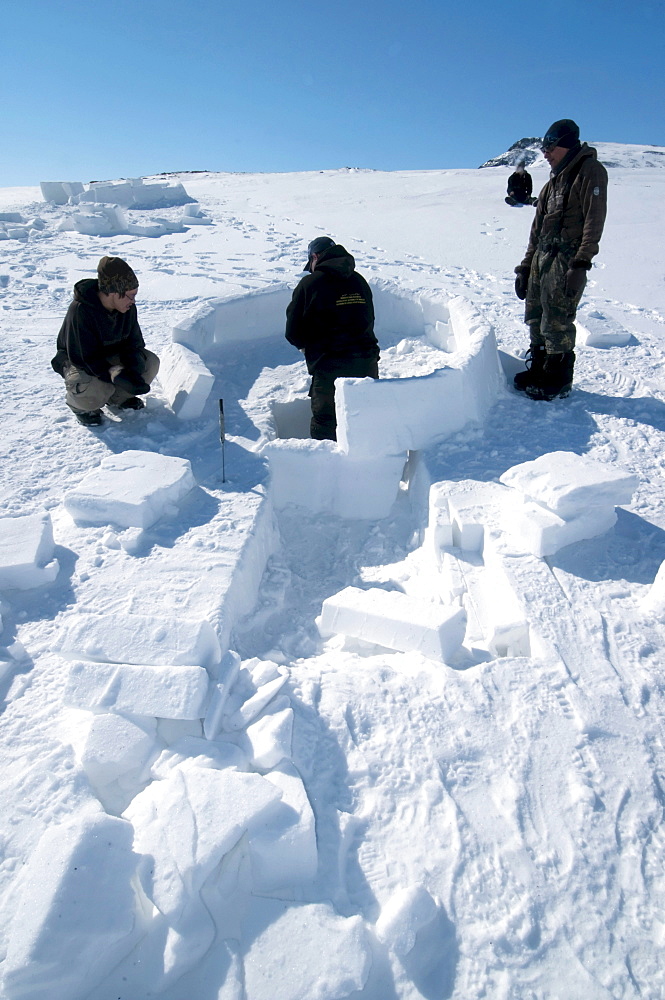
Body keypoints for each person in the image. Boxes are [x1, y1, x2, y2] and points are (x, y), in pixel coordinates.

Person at [513, 119, 607, 400]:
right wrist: (525, 266)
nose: (545, 153)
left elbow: (594, 220)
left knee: (557, 317)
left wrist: (581, 263)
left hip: (567, 259)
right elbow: (536, 230)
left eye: (550, 147)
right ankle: (540, 367)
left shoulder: (590, 172)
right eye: (544, 147)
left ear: (565, 144)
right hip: (543, 257)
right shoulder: (551, 184)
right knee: (535, 315)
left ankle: (558, 377)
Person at [285, 237, 380, 441]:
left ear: (315, 257)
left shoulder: (309, 284)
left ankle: (328, 471)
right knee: (366, 424)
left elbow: (292, 331)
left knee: (326, 426)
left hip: (329, 368)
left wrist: (307, 346)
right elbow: (369, 318)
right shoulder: (359, 281)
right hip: (366, 364)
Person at [51, 256, 160, 426]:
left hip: (110, 358)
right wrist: (117, 375)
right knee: (95, 386)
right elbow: (85, 359)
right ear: (114, 292)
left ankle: (119, 397)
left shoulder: (126, 307)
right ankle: (81, 406)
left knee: (151, 362)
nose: (133, 301)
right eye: (130, 296)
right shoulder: (81, 311)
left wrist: (134, 370)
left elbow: (134, 343)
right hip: (80, 363)